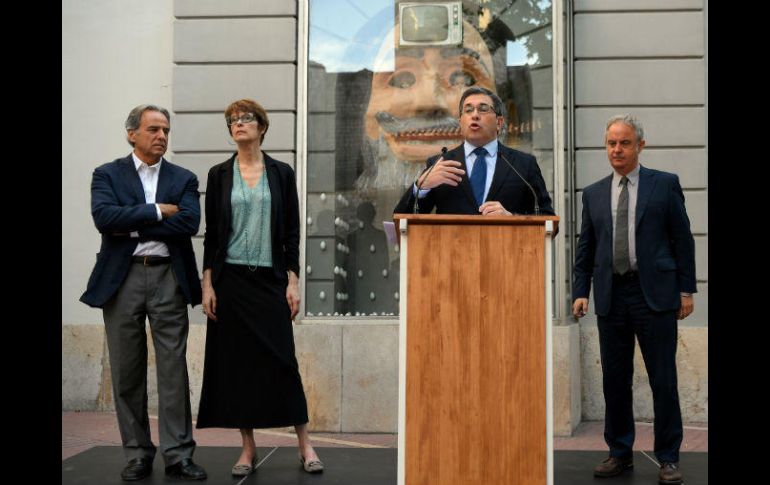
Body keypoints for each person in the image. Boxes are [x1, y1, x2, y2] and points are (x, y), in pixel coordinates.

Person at [196, 99, 324, 476]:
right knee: (237, 366)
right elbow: (212, 236)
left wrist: (293, 280)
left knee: (284, 361)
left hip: (269, 281)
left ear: (262, 127)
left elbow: (291, 233)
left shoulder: (281, 173)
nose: (239, 124)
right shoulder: (219, 174)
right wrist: (207, 285)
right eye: (233, 121)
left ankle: (305, 443)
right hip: (230, 281)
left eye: (246, 119)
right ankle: (247, 449)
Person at [80, 105, 206, 481]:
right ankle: (137, 453)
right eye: (153, 129)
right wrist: (156, 213)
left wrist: (131, 223)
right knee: (126, 371)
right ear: (132, 133)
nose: (162, 136)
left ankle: (179, 454)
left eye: (165, 129)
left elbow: (188, 222)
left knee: (173, 369)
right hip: (123, 279)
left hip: (169, 277)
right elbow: (104, 218)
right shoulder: (107, 174)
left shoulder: (183, 177)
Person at [571, 114, 695, 485]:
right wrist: (581, 291)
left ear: (640, 145)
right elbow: (586, 247)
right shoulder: (593, 193)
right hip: (612, 297)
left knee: (663, 380)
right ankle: (619, 452)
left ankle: (669, 458)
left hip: (654, 295)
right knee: (615, 380)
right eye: (611, 143)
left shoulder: (664, 185)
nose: (617, 150)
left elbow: (682, 240)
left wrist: (686, 291)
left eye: (624, 143)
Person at [393, 86, 553, 216]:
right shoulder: (441, 164)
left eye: (483, 109)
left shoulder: (523, 164)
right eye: (468, 110)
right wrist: (421, 187)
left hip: (505, 253)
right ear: (460, 122)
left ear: (499, 122)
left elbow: (547, 220)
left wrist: (512, 218)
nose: (474, 115)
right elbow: (403, 218)